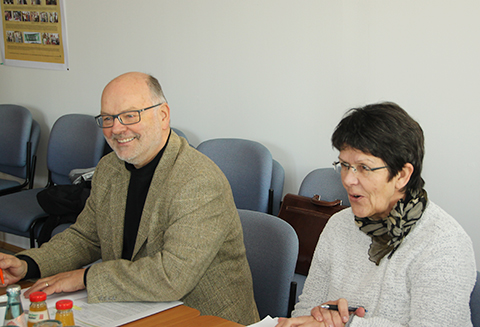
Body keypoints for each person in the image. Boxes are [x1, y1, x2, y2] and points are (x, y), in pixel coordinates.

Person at [0, 72, 259, 325]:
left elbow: (172, 276)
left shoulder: (198, 180)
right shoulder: (110, 168)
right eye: (107, 118)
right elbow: (85, 237)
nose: (116, 128)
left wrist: (86, 278)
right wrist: (29, 264)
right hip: (133, 307)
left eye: (129, 115)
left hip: (202, 316)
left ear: (163, 115)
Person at [277, 102, 476, 327]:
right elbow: (305, 311)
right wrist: (319, 317)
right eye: (344, 164)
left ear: (402, 175)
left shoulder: (444, 243)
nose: (348, 180)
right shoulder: (338, 224)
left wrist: (348, 324)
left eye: (364, 168)